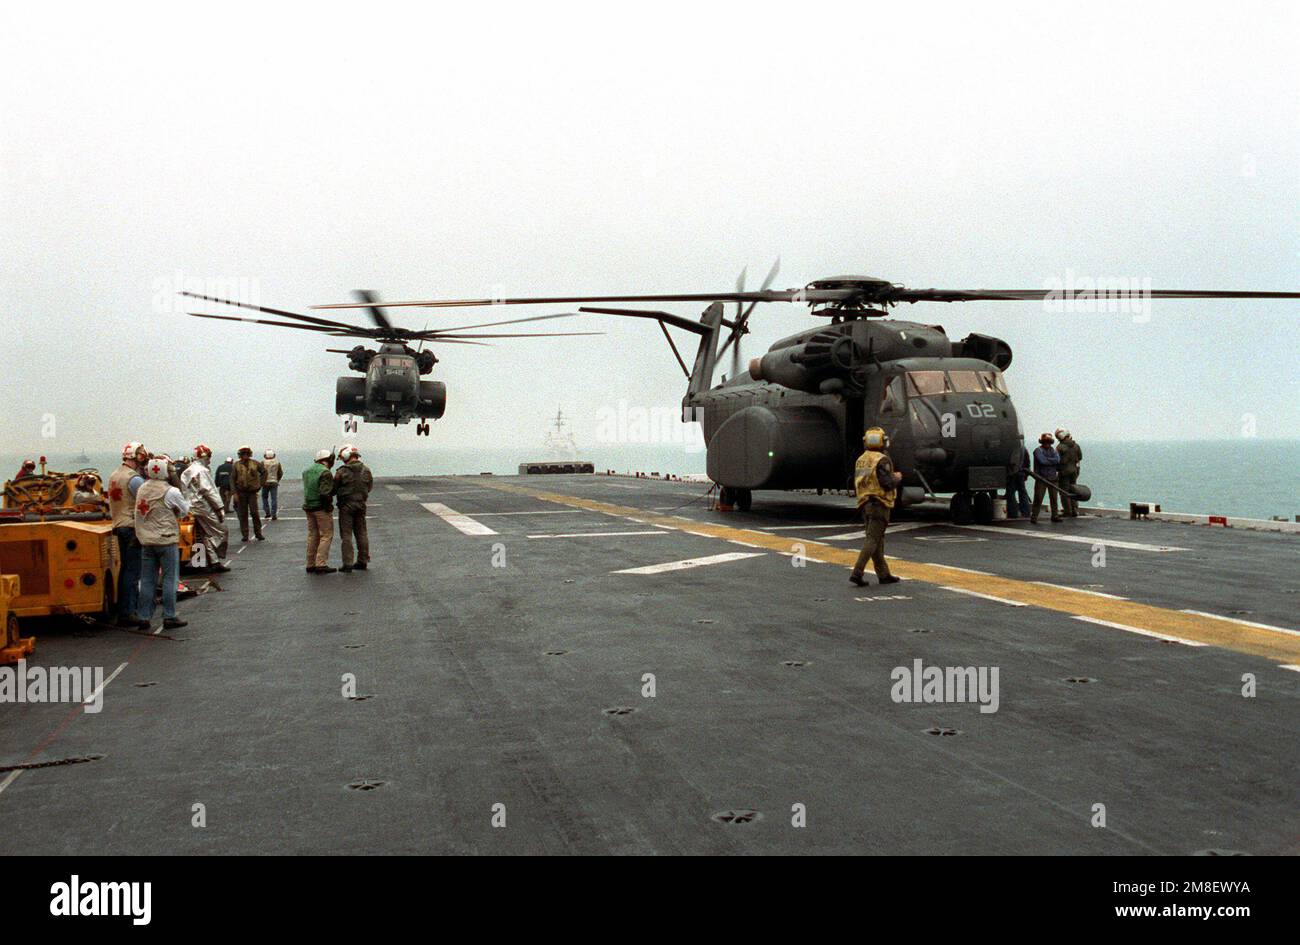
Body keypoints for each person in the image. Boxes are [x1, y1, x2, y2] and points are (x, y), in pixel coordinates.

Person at [133, 456, 190, 630]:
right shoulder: (171, 491)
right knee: (169, 579)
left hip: (146, 541)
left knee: (147, 580)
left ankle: (143, 617)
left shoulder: (141, 489)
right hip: (166, 541)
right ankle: (169, 616)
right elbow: (185, 510)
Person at [849, 427, 903, 588]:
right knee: (873, 539)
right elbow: (887, 484)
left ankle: (883, 574)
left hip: (865, 504)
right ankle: (857, 573)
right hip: (880, 503)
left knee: (877, 540)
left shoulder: (862, 459)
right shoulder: (881, 460)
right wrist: (897, 478)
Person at [106, 442, 149, 629]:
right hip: (131, 528)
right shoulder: (134, 479)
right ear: (136, 456)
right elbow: (146, 502)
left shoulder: (114, 475)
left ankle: (125, 609)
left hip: (118, 526)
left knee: (124, 570)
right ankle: (129, 612)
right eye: (141, 454)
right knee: (133, 572)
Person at [181, 444, 230, 571]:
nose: (210, 459)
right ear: (203, 456)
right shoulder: (202, 471)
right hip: (202, 507)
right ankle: (213, 559)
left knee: (203, 534)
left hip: (189, 507)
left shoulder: (188, 470)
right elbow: (209, 491)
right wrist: (219, 508)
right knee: (221, 531)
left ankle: (213, 561)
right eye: (208, 456)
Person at [333, 445, 373, 572]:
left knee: (346, 535)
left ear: (345, 456)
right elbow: (369, 487)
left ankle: (348, 563)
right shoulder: (366, 470)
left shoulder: (341, 471)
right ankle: (363, 560)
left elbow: (333, 489)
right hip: (361, 504)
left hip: (346, 506)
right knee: (361, 533)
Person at [302, 449, 338, 574]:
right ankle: (321, 564)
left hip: (308, 507)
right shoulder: (325, 472)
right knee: (326, 535)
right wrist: (328, 506)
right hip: (320, 508)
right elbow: (324, 492)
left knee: (313, 535)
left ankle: (310, 564)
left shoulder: (306, 471)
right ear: (327, 460)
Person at [231, 446, 266, 542]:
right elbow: (232, 479)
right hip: (241, 492)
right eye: (243, 454)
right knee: (243, 514)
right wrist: (234, 493)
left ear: (249, 454)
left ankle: (258, 533)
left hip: (252, 493)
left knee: (255, 513)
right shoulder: (236, 465)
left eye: (247, 454)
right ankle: (245, 534)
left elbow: (264, 472)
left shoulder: (255, 464)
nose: (245, 456)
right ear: (240, 455)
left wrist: (260, 484)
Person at [1030, 432, 1063, 524]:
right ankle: (1034, 517)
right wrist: (1052, 461)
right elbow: (1042, 461)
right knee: (1038, 498)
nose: (1047, 444)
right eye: (1045, 442)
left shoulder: (1054, 450)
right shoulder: (1037, 451)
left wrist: (1048, 460)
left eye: (1048, 442)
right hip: (1041, 478)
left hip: (1053, 478)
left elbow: (1057, 460)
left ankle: (1055, 515)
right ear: (1042, 442)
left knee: (1054, 498)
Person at [1055, 428, 1083, 518]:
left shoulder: (1060, 447)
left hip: (1064, 472)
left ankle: (1067, 511)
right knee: (1074, 490)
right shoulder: (1076, 446)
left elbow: (1056, 460)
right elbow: (1080, 457)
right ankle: (1075, 510)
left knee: (1064, 492)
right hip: (1074, 471)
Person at [1004, 444, 1031, 519]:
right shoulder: (1023, 448)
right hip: (1021, 473)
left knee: (1011, 493)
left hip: (1011, 474)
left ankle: (1013, 513)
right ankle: (1026, 512)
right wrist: (1026, 474)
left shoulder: (1008, 448)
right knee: (1023, 492)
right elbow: (1027, 461)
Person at [261, 449, 284, 520]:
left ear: (265, 455)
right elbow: (280, 473)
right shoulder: (277, 462)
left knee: (264, 498)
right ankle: (274, 514)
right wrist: (277, 480)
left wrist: (261, 481)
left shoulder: (263, 462)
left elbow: (260, 472)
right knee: (274, 498)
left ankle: (267, 513)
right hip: (274, 482)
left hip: (265, 483)